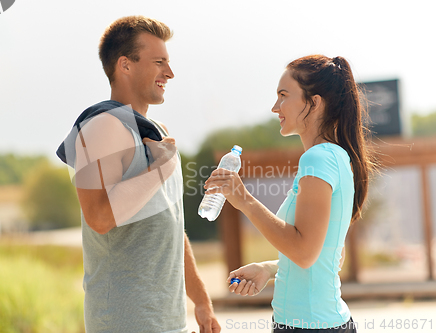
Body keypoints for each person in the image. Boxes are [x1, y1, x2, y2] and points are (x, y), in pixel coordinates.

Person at [56, 16, 220, 333]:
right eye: (159, 62)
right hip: (124, 323)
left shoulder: (159, 133)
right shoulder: (101, 126)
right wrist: (161, 169)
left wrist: (200, 300)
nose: (170, 73)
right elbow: (99, 218)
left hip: (170, 322)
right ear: (125, 65)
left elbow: (171, 222)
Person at [204, 55, 377, 332]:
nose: (275, 107)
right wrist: (270, 269)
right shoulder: (330, 157)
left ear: (314, 102)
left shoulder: (319, 159)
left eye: (283, 95)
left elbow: (304, 253)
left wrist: (244, 200)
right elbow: (321, 257)